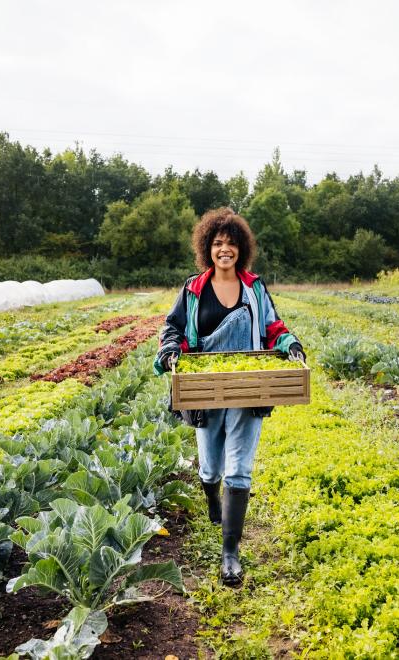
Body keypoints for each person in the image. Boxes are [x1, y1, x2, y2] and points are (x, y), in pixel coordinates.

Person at [153, 207, 305, 586]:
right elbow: (172, 329)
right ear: (208, 248)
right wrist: (172, 352)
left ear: (241, 249)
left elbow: (273, 326)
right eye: (218, 243)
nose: (225, 250)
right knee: (210, 466)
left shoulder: (254, 287)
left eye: (231, 244)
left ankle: (230, 553)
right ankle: (211, 497)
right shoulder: (193, 289)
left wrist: (289, 344)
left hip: (248, 388)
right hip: (205, 389)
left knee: (239, 468)